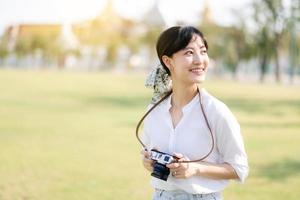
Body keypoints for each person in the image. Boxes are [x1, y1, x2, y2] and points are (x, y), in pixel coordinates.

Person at [138, 26, 249, 200]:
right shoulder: (154, 111)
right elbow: (146, 153)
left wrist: (195, 168)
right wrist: (148, 162)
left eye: (203, 51)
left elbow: (239, 168)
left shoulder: (217, 112)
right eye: (189, 53)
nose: (200, 60)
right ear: (168, 61)